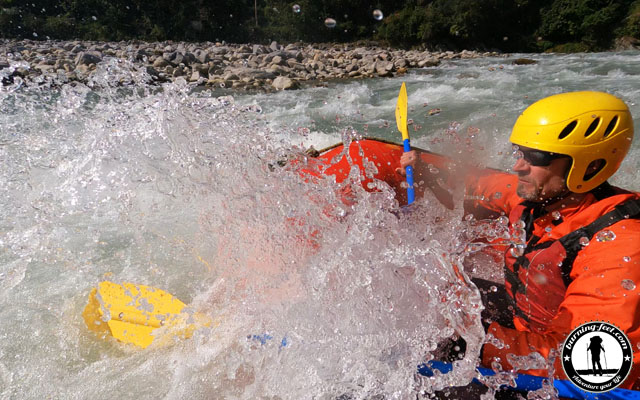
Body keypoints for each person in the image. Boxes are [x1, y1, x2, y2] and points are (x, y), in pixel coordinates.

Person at [397, 91, 640, 389]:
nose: (518, 166)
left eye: (535, 157)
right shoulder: (548, 196)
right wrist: (431, 171)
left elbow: (585, 365)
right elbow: (481, 184)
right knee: (429, 292)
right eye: (519, 152)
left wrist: (469, 345)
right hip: (529, 327)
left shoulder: (619, 247)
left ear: (589, 167)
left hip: (572, 378)